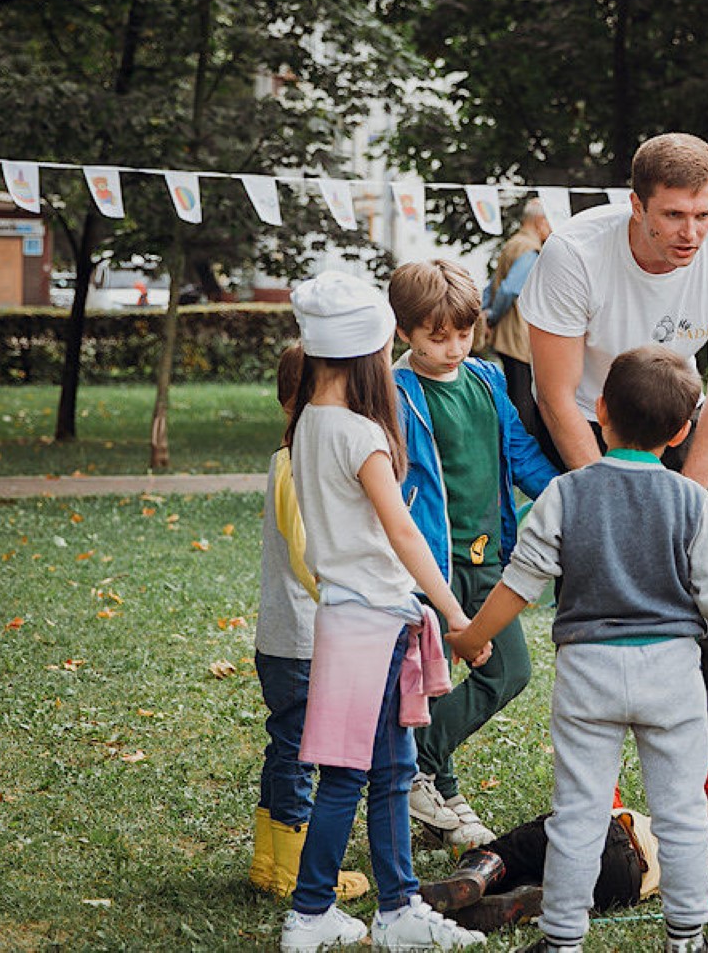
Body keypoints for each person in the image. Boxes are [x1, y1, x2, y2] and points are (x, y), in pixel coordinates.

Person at [448, 345, 708, 953]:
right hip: (672, 677)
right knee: (681, 815)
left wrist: (472, 636)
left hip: (588, 674)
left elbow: (520, 582)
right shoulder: (694, 502)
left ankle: (563, 940)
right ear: (683, 431)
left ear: (599, 411)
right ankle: (686, 937)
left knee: (577, 815)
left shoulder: (565, 495)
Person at [517, 131, 708, 828]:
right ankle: (594, 776)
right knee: (596, 575)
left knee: (698, 570)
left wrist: (684, 498)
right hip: (584, 415)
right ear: (636, 205)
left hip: (669, 406)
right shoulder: (574, 252)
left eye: (703, 214)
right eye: (672, 216)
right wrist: (610, 495)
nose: (690, 232)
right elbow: (554, 391)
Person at [277, 271, 486, 952]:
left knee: (391, 772)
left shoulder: (309, 422)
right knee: (349, 777)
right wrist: (457, 616)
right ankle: (310, 914)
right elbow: (404, 532)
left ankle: (396, 910)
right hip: (374, 622)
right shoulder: (360, 434)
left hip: (354, 617)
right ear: (372, 351)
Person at [389, 259, 560, 848]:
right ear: (406, 331)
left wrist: (576, 493)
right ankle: (440, 789)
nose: (454, 347)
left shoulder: (487, 380)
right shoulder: (395, 391)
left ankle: (418, 761)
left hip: (491, 563)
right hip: (428, 569)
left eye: (464, 333)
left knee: (508, 670)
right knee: (432, 684)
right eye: (438, 337)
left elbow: (521, 454)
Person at [250, 344, 371, 902]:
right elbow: (307, 551)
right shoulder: (303, 460)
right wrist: (345, 592)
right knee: (302, 754)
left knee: (284, 747)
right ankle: (295, 871)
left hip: (278, 636)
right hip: (305, 638)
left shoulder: (283, 454)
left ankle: (267, 861)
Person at [418, 801, 708, 936]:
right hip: (624, 884)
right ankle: (524, 899)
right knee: (555, 883)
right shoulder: (694, 866)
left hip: (607, 834)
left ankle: (476, 875)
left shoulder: (665, 825)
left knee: (519, 849)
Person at [484, 198, 555, 438]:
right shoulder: (529, 249)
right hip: (517, 334)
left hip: (507, 334)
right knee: (523, 397)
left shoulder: (512, 243)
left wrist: (486, 310)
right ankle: (523, 451)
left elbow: (492, 285)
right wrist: (492, 316)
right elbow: (508, 288)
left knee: (517, 393)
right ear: (541, 222)